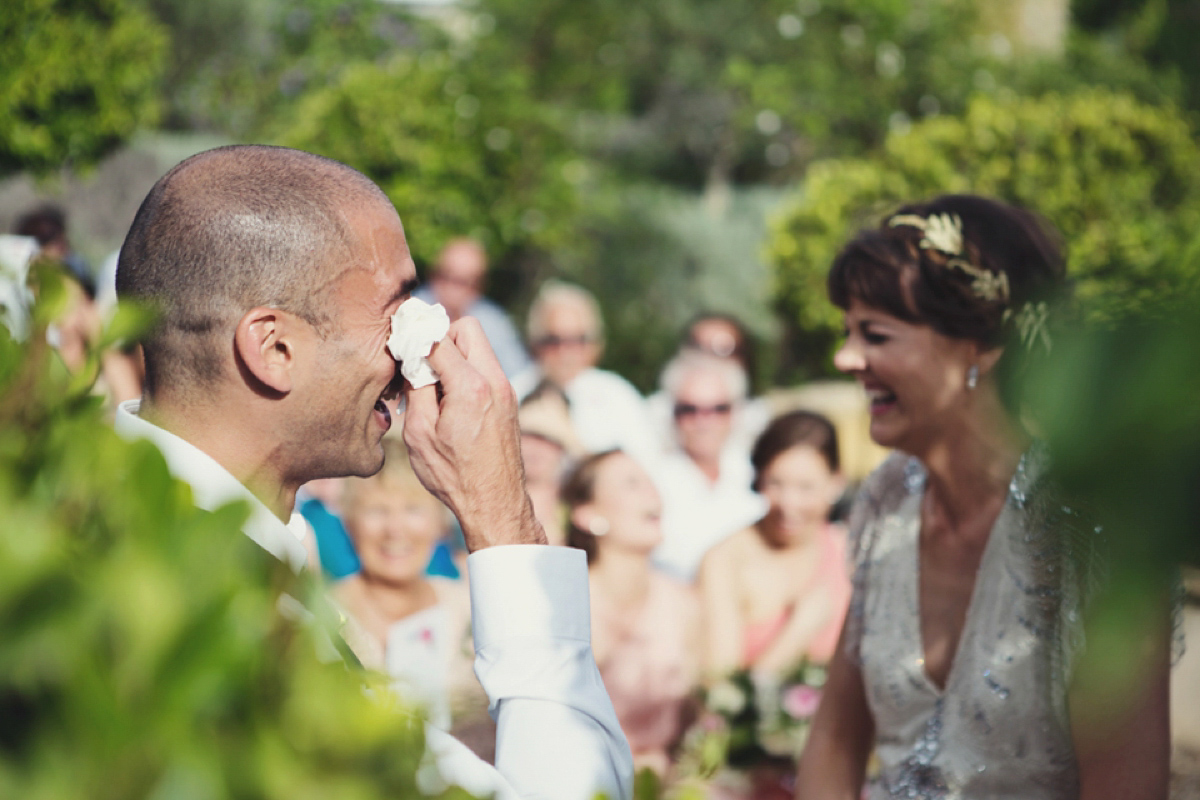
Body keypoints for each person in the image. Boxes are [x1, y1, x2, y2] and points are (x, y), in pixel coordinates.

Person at [112, 144, 633, 800]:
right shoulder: (205, 612)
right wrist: (503, 520)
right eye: (401, 308)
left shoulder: (139, 526)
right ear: (275, 348)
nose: (430, 347)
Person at [795, 195, 1171, 799]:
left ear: (983, 346)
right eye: (848, 332)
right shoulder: (886, 502)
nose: (847, 357)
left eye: (876, 334)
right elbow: (836, 742)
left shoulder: (1090, 532)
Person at [562, 449, 700, 777]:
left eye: (650, 481)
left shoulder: (683, 600)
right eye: (631, 484)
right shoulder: (564, 601)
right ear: (587, 514)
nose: (652, 492)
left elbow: (699, 715)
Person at [332, 440, 482, 734]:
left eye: (413, 509)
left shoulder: (468, 610)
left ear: (440, 524)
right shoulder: (325, 615)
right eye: (377, 511)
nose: (395, 528)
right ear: (350, 522)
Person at [698, 410, 850, 679]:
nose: (789, 504)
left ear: (836, 483)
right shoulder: (726, 561)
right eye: (776, 484)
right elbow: (721, 697)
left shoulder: (850, 552)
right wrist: (797, 634)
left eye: (806, 487)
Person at [511, 280, 660, 469]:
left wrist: (570, 442)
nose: (566, 352)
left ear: (596, 346)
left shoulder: (618, 395)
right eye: (554, 340)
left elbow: (645, 467)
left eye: (578, 340)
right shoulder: (513, 393)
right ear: (534, 344)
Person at [651, 350, 767, 582]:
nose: (703, 421)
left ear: (736, 412)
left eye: (718, 409)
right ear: (673, 414)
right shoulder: (650, 481)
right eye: (689, 410)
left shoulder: (759, 476)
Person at [414, 237, 531, 379]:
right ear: (433, 274)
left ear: (480, 286)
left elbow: (519, 376)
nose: (453, 289)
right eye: (447, 276)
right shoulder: (410, 311)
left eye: (464, 282)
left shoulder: (493, 322)